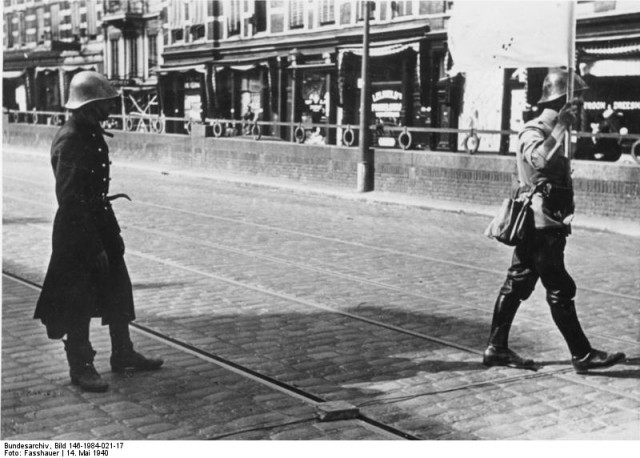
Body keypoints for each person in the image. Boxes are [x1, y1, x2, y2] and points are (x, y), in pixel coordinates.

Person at [483, 69, 625, 374]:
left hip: (549, 221)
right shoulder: (535, 129)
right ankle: (582, 354)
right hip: (538, 223)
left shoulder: (559, 130)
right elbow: (540, 160)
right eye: (577, 97)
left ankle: (497, 348)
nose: (582, 103)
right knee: (560, 288)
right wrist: (560, 126)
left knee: (518, 282)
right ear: (562, 100)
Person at [34, 71, 163, 392]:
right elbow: (70, 199)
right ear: (89, 106)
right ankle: (81, 365)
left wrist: (107, 234)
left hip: (99, 222)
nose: (110, 110)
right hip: (78, 232)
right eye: (105, 104)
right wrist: (93, 245)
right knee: (79, 298)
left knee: (117, 288)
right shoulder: (72, 138)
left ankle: (122, 353)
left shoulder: (89, 133)